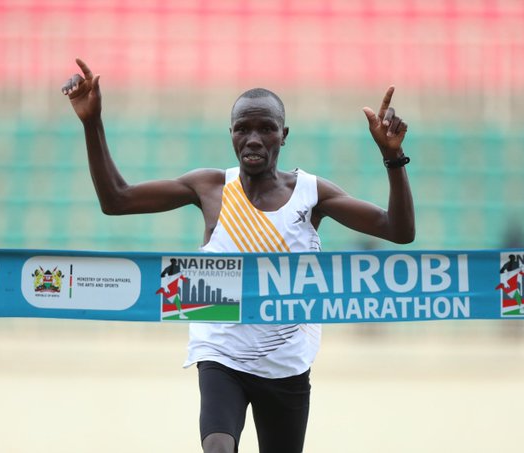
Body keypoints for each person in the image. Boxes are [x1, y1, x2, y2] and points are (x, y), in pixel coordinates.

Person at [61, 58, 415, 453]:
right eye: (243, 128)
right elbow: (116, 200)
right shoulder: (210, 187)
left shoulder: (313, 194)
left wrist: (393, 158)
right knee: (217, 447)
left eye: (266, 128)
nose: (254, 138)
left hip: (286, 363)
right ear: (230, 133)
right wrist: (92, 122)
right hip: (221, 353)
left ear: (284, 134)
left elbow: (398, 231)